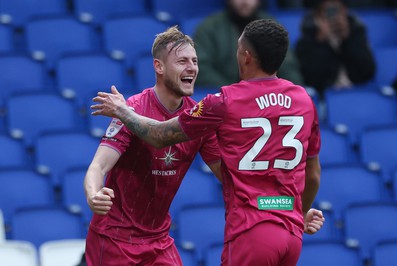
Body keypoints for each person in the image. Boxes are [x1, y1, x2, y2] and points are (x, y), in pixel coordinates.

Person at [92, 19, 325, 266]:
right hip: (291, 234)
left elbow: (158, 136)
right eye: (183, 61)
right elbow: (313, 176)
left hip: (252, 230)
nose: (192, 67)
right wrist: (298, 212)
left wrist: (122, 110)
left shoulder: (225, 101)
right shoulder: (305, 100)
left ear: (246, 56)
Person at [84, 26, 221, 265]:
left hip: (158, 241)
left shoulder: (197, 118)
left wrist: (285, 207)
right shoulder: (131, 110)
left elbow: (230, 177)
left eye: (194, 61)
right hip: (114, 238)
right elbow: (98, 167)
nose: (192, 68)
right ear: (159, 66)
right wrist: (94, 195)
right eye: (182, 61)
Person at [193, 0, 303, 88]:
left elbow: (288, 67)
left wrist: (293, 90)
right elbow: (201, 68)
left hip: (267, 96)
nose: (245, 2)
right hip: (224, 99)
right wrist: (232, 91)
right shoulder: (209, 28)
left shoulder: (273, 26)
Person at [296, 0, 376, 94]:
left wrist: (348, 41)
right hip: (324, 96)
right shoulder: (307, 38)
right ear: (317, 15)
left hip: (357, 93)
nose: (333, 17)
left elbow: (367, 72)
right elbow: (311, 80)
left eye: (336, 10)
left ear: (345, 10)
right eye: (327, 11)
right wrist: (320, 43)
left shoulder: (356, 32)